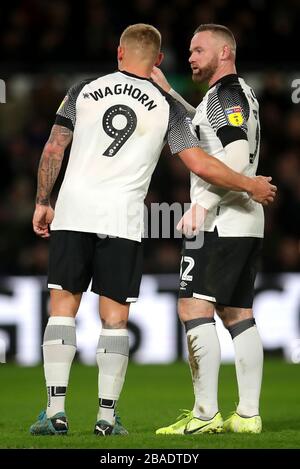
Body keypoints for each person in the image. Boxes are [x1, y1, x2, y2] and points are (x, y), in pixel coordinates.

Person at [30, 23, 275, 437]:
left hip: (74, 213)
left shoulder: (82, 90)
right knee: (115, 319)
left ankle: (55, 412)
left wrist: (42, 200)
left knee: (63, 308)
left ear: (119, 52)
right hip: (124, 221)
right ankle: (107, 419)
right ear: (159, 60)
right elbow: (199, 158)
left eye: (199, 51)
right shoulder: (168, 106)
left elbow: (55, 146)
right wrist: (251, 184)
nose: (192, 58)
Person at [153, 24, 268, 435]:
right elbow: (206, 128)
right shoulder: (234, 95)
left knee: (193, 307)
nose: (190, 57)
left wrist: (202, 204)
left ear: (224, 53)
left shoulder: (224, 95)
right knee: (237, 313)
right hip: (245, 220)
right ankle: (249, 415)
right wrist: (169, 93)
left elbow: (235, 154)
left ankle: (204, 416)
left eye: (198, 50)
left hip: (222, 220)